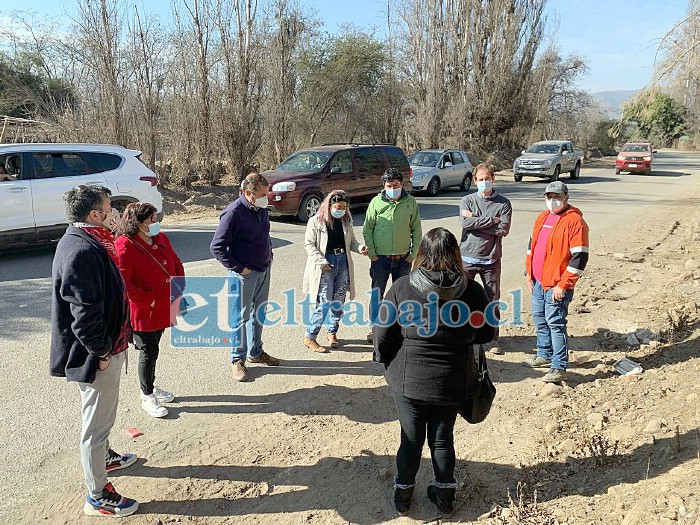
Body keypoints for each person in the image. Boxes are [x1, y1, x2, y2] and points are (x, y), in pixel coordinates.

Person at [374, 227, 495, 517]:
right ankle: (444, 496)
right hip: (453, 381)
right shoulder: (473, 291)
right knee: (442, 439)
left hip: (409, 380)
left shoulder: (403, 287)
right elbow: (487, 333)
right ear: (455, 253)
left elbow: (382, 333)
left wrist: (386, 360)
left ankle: (403, 494)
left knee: (411, 439)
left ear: (422, 254)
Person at [50, 184, 139, 518]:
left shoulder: (92, 240)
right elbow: (83, 317)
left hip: (109, 344)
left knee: (103, 416)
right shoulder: (81, 251)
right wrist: (101, 353)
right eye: (108, 208)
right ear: (94, 214)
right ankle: (98, 495)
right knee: (96, 424)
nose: (114, 212)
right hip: (97, 354)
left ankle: (104, 458)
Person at [115, 203, 185, 418]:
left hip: (165, 304)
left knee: (155, 346)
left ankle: (151, 387)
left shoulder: (161, 238)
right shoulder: (124, 245)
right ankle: (146, 395)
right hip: (145, 310)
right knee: (148, 351)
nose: (156, 223)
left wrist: (179, 289)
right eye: (152, 220)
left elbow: (176, 263)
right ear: (138, 223)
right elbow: (125, 283)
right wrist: (150, 301)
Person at [210, 172, 280, 382]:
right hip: (244, 275)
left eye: (267, 194)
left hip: (263, 269)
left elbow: (263, 234)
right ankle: (237, 360)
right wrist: (239, 268)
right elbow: (217, 247)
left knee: (259, 314)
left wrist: (269, 254)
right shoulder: (233, 213)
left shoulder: (261, 209)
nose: (266, 198)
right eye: (262, 194)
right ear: (248, 193)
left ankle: (256, 352)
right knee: (240, 318)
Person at [523, 181, 589, 383]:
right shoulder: (542, 217)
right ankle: (544, 353)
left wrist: (563, 285)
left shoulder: (575, 222)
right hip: (538, 282)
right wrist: (529, 273)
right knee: (539, 319)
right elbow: (531, 246)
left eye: (557, 197)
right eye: (549, 197)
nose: (553, 201)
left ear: (566, 198)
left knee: (556, 324)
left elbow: (579, 257)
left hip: (556, 285)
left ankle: (559, 366)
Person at [302, 190, 368, 352]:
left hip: (342, 262)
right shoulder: (315, 221)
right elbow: (309, 245)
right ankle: (310, 336)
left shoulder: (346, 220)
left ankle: (332, 332)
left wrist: (360, 248)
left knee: (338, 301)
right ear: (329, 205)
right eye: (338, 206)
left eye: (344, 207)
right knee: (324, 303)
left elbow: (352, 242)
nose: (341, 210)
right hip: (325, 264)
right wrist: (321, 261)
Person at [363, 167, 422, 343]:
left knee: (403, 294)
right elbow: (368, 229)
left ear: (402, 184)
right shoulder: (376, 203)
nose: (393, 188)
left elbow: (416, 230)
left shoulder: (410, 202)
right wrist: (372, 254)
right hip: (380, 258)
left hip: (403, 259)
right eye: (389, 185)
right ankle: (374, 327)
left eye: (396, 184)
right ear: (384, 185)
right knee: (377, 293)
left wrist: (412, 254)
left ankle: (401, 327)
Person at [459, 163, 512, 354]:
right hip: (466, 258)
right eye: (480, 179)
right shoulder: (467, 200)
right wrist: (491, 220)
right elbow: (465, 223)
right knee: (462, 297)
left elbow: (503, 229)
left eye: (487, 179)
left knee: (492, 300)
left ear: (493, 179)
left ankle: (492, 338)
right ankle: (463, 336)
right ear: (474, 181)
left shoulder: (503, 203)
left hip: (491, 259)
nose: (484, 182)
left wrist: (476, 220)